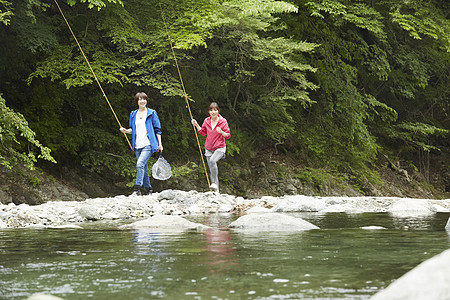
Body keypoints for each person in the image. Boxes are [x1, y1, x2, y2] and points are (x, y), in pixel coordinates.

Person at [120, 92, 163, 196]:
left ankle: (137, 189)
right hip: (137, 145)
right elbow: (132, 130)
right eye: (140, 99)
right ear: (137, 101)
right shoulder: (133, 114)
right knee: (143, 167)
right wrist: (125, 131)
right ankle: (149, 189)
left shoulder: (152, 113)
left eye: (144, 99)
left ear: (146, 100)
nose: (142, 101)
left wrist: (160, 144)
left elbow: (158, 130)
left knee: (139, 164)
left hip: (148, 144)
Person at [192, 102, 230, 193]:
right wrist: (196, 125)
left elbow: (228, 135)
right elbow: (203, 132)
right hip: (208, 148)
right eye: (211, 110)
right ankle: (216, 191)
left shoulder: (223, 121)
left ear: (218, 111)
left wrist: (221, 132)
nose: (213, 112)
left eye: (215, 110)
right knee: (212, 168)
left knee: (213, 161)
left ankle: (214, 184)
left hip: (220, 148)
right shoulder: (206, 121)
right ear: (209, 111)